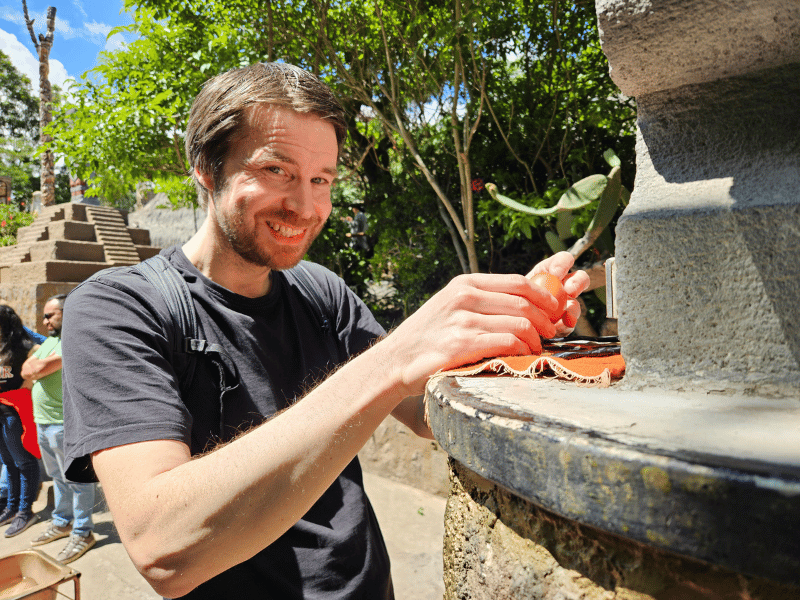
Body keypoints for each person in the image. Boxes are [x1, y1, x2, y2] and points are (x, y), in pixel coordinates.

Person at [60, 62, 589, 599]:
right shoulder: (118, 308)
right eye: (277, 171)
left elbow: (424, 411)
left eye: (322, 180)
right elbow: (164, 548)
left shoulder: (320, 291)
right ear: (205, 166)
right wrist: (392, 359)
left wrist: (517, 331)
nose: (307, 208)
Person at [22, 295, 97, 563]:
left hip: (66, 424)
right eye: (44, 316)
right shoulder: (51, 342)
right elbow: (25, 370)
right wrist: (35, 368)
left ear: (67, 313)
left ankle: (83, 531)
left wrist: (37, 368)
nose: (44, 322)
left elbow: (39, 368)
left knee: (77, 481)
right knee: (57, 477)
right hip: (43, 422)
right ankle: (63, 521)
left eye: (50, 315)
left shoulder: (74, 340)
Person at [0, 304, 41, 537]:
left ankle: (26, 511)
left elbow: (44, 353)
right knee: (8, 461)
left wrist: (32, 382)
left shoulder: (24, 347)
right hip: (0, 413)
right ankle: (12, 507)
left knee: (24, 461)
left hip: (15, 413)